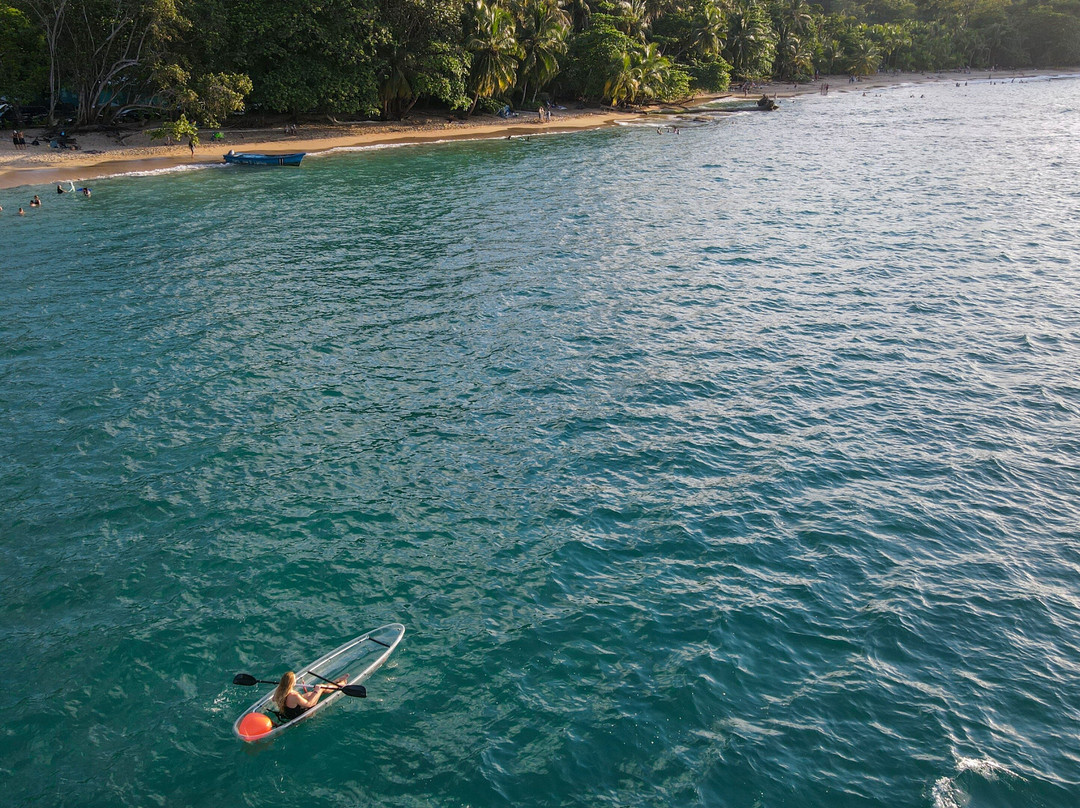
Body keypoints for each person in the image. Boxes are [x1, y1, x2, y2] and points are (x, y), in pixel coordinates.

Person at [272, 671, 348, 721]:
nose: (296, 680)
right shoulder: (294, 695)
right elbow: (309, 704)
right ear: (292, 682)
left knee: (309, 694)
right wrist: (316, 691)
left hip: (287, 713)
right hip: (300, 714)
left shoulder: (279, 690)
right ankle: (340, 685)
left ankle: (336, 682)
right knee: (321, 688)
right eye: (295, 679)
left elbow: (273, 699)